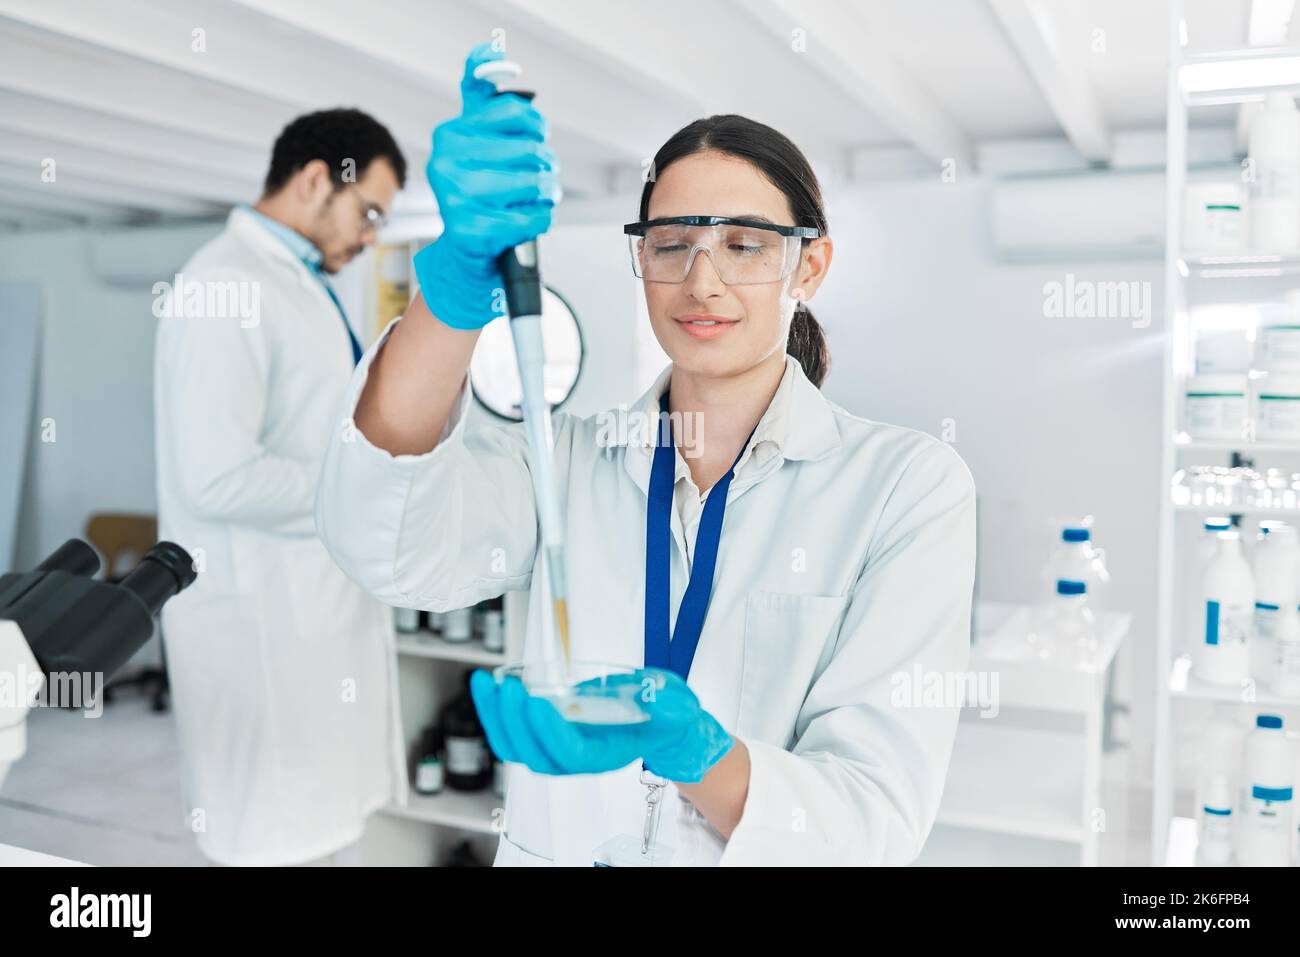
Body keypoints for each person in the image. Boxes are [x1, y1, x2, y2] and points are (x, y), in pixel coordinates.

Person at [316, 45, 976, 866]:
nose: (701, 282)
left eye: (744, 243)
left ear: (808, 264)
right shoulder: (570, 459)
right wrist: (452, 287)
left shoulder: (905, 487)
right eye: (670, 243)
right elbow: (389, 540)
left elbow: (874, 821)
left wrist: (701, 754)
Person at [154, 108, 407, 866]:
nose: (370, 238)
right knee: (268, 841)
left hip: (311, 617)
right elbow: (216, 478)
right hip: (261, 630)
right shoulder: (223, 284)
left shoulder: (291, 282)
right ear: (311, 181)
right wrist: (367, 487)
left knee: (320, 833)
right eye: (367, 213)